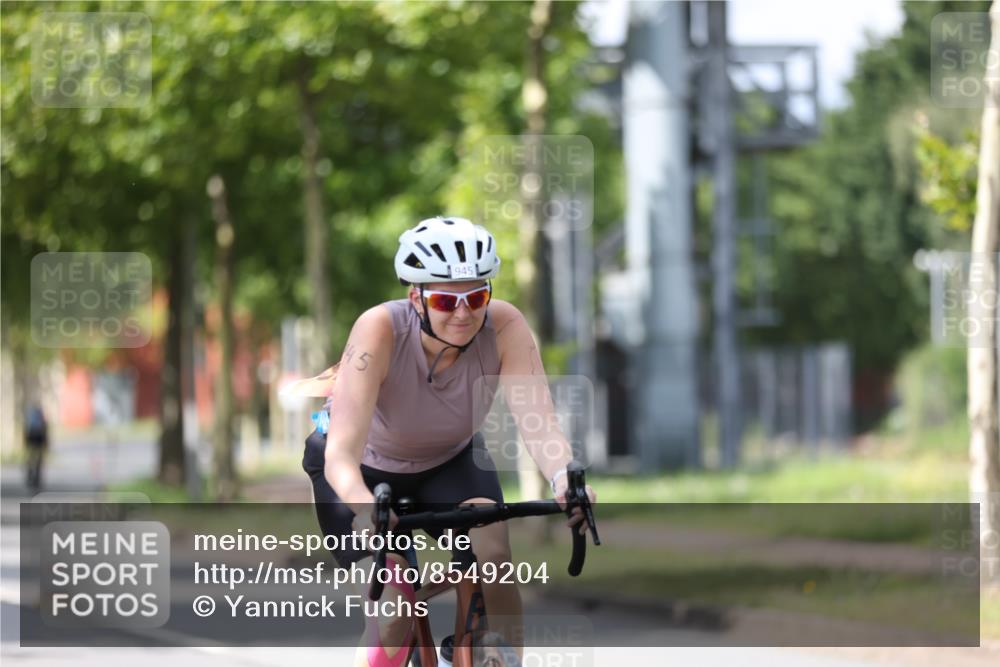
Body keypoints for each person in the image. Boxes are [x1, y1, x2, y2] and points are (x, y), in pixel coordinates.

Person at [302, 216, 596, 667]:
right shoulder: (378, 329)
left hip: (448, 461)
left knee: (494, 556)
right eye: (445, 300)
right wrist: (366, 511)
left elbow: (538, 422)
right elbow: (342, 454)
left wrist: (563, 477)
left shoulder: (506, 326)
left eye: (476, 297)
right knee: (396, 609)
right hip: (362, 473)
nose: (463, 313)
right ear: (415, 297)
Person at [24, 403, 48, 492]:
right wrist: (46, 442)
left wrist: (25, 441)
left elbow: (26, 429)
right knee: (39, 459)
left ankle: (30, 475)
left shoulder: (30, 416)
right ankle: (36, 477)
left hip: (31, 438)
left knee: (31, 457)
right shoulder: (41, 417)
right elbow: (45, 429)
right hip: (39, 439)